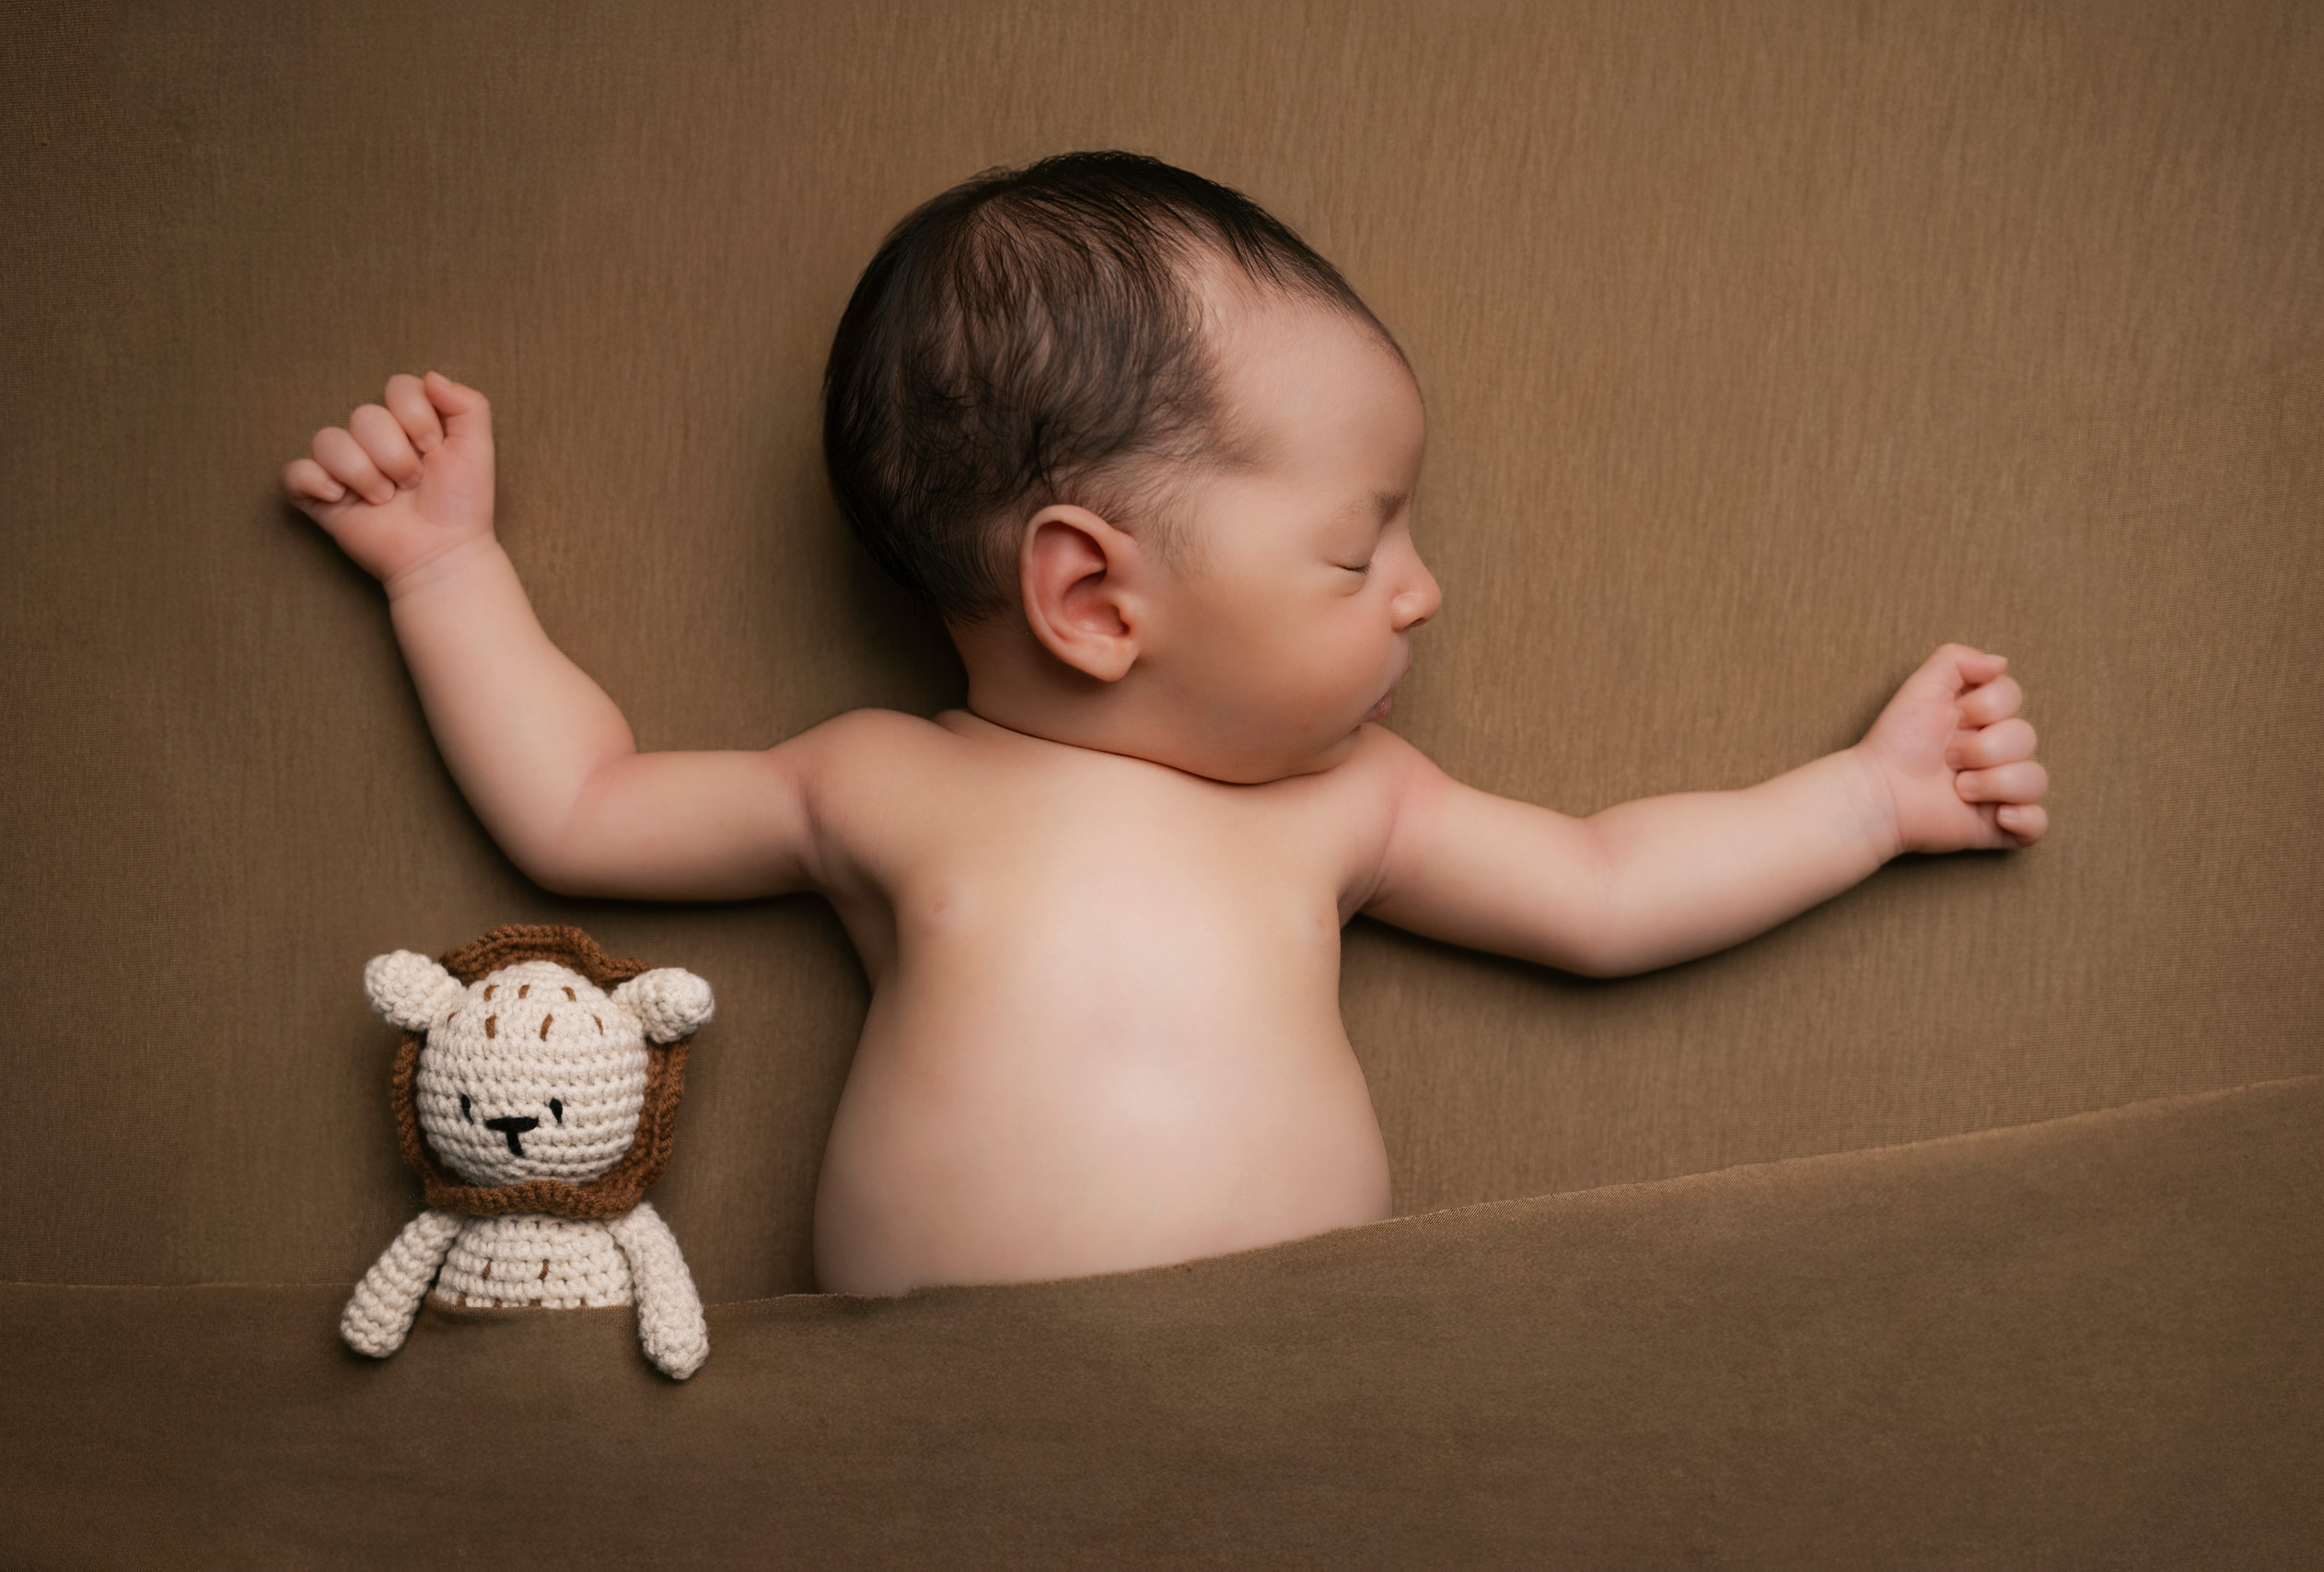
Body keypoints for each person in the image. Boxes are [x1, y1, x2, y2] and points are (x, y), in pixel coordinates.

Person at [282, 152, 2048, 1297]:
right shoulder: (882, 782)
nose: (1421, 592)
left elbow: (1603, 887)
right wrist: (448, 575)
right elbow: (579, 806)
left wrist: (1870, 802)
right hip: (927, 1424)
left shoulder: (1348, 804)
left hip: (1280, 1407)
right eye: (1364, 549)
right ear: (1095, 601)